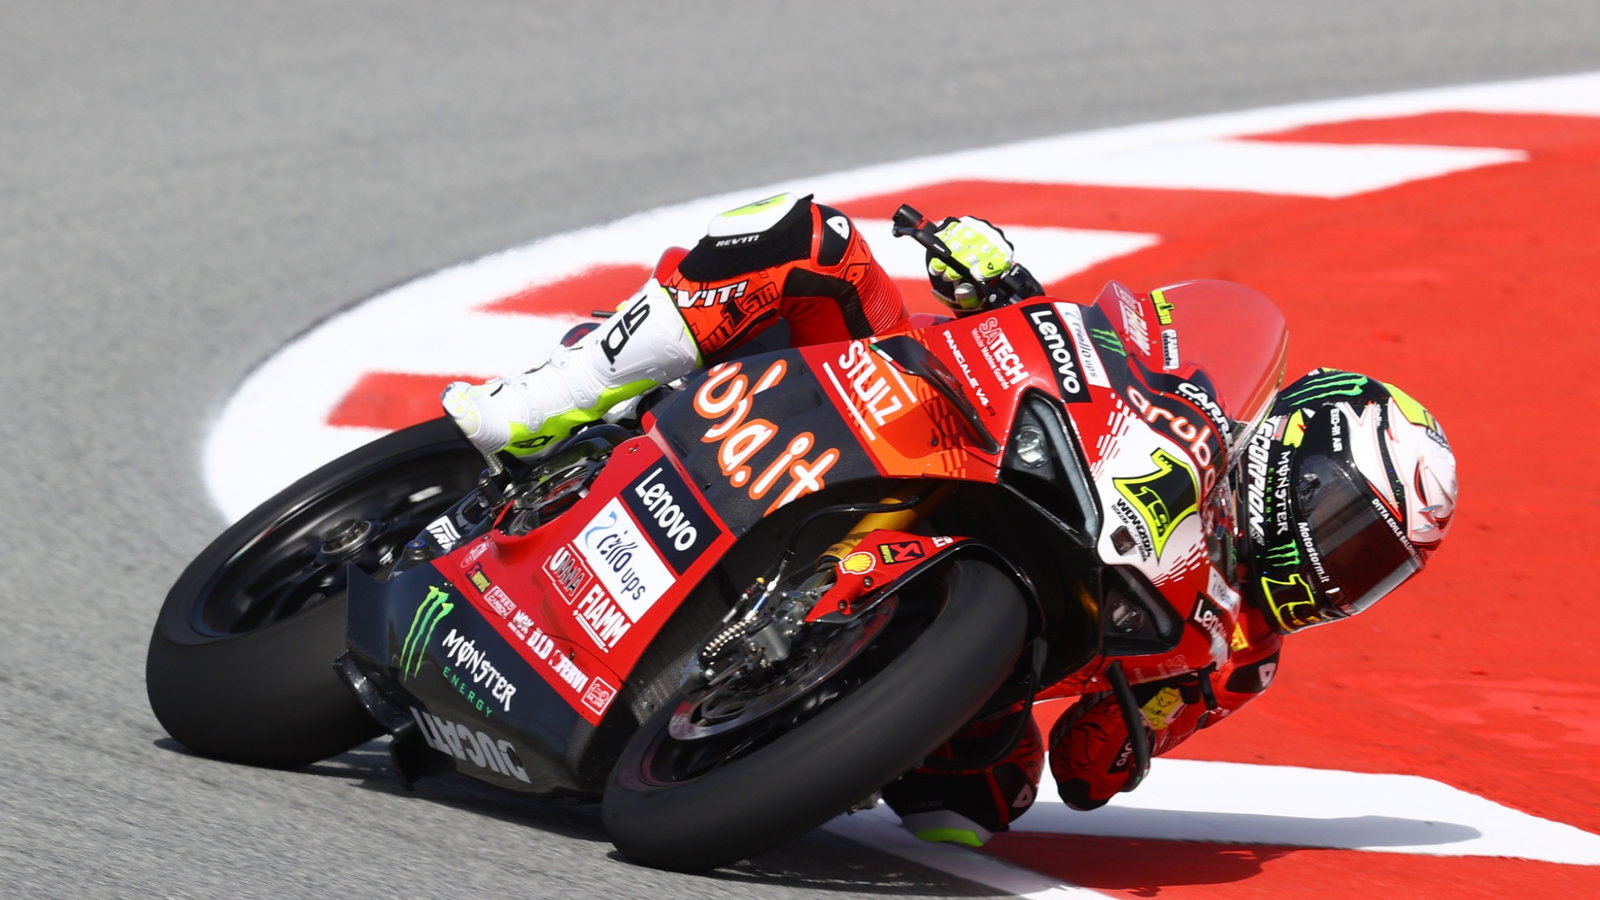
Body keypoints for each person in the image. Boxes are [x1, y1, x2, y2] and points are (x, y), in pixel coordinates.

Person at [440, 192, 1459, 847]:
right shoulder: (1189, 401)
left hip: (1005, 634)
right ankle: (543, 401)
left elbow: (1088, 768)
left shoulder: (1238, 659)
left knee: (981, 807)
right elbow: (1089, 349)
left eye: (1372, 568)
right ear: (1295, 451)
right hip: (916, 418)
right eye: (1346, 528)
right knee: (809, 241)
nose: (1339, 569)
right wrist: (999, 284)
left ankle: (791, 719)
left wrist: (1139, 724)